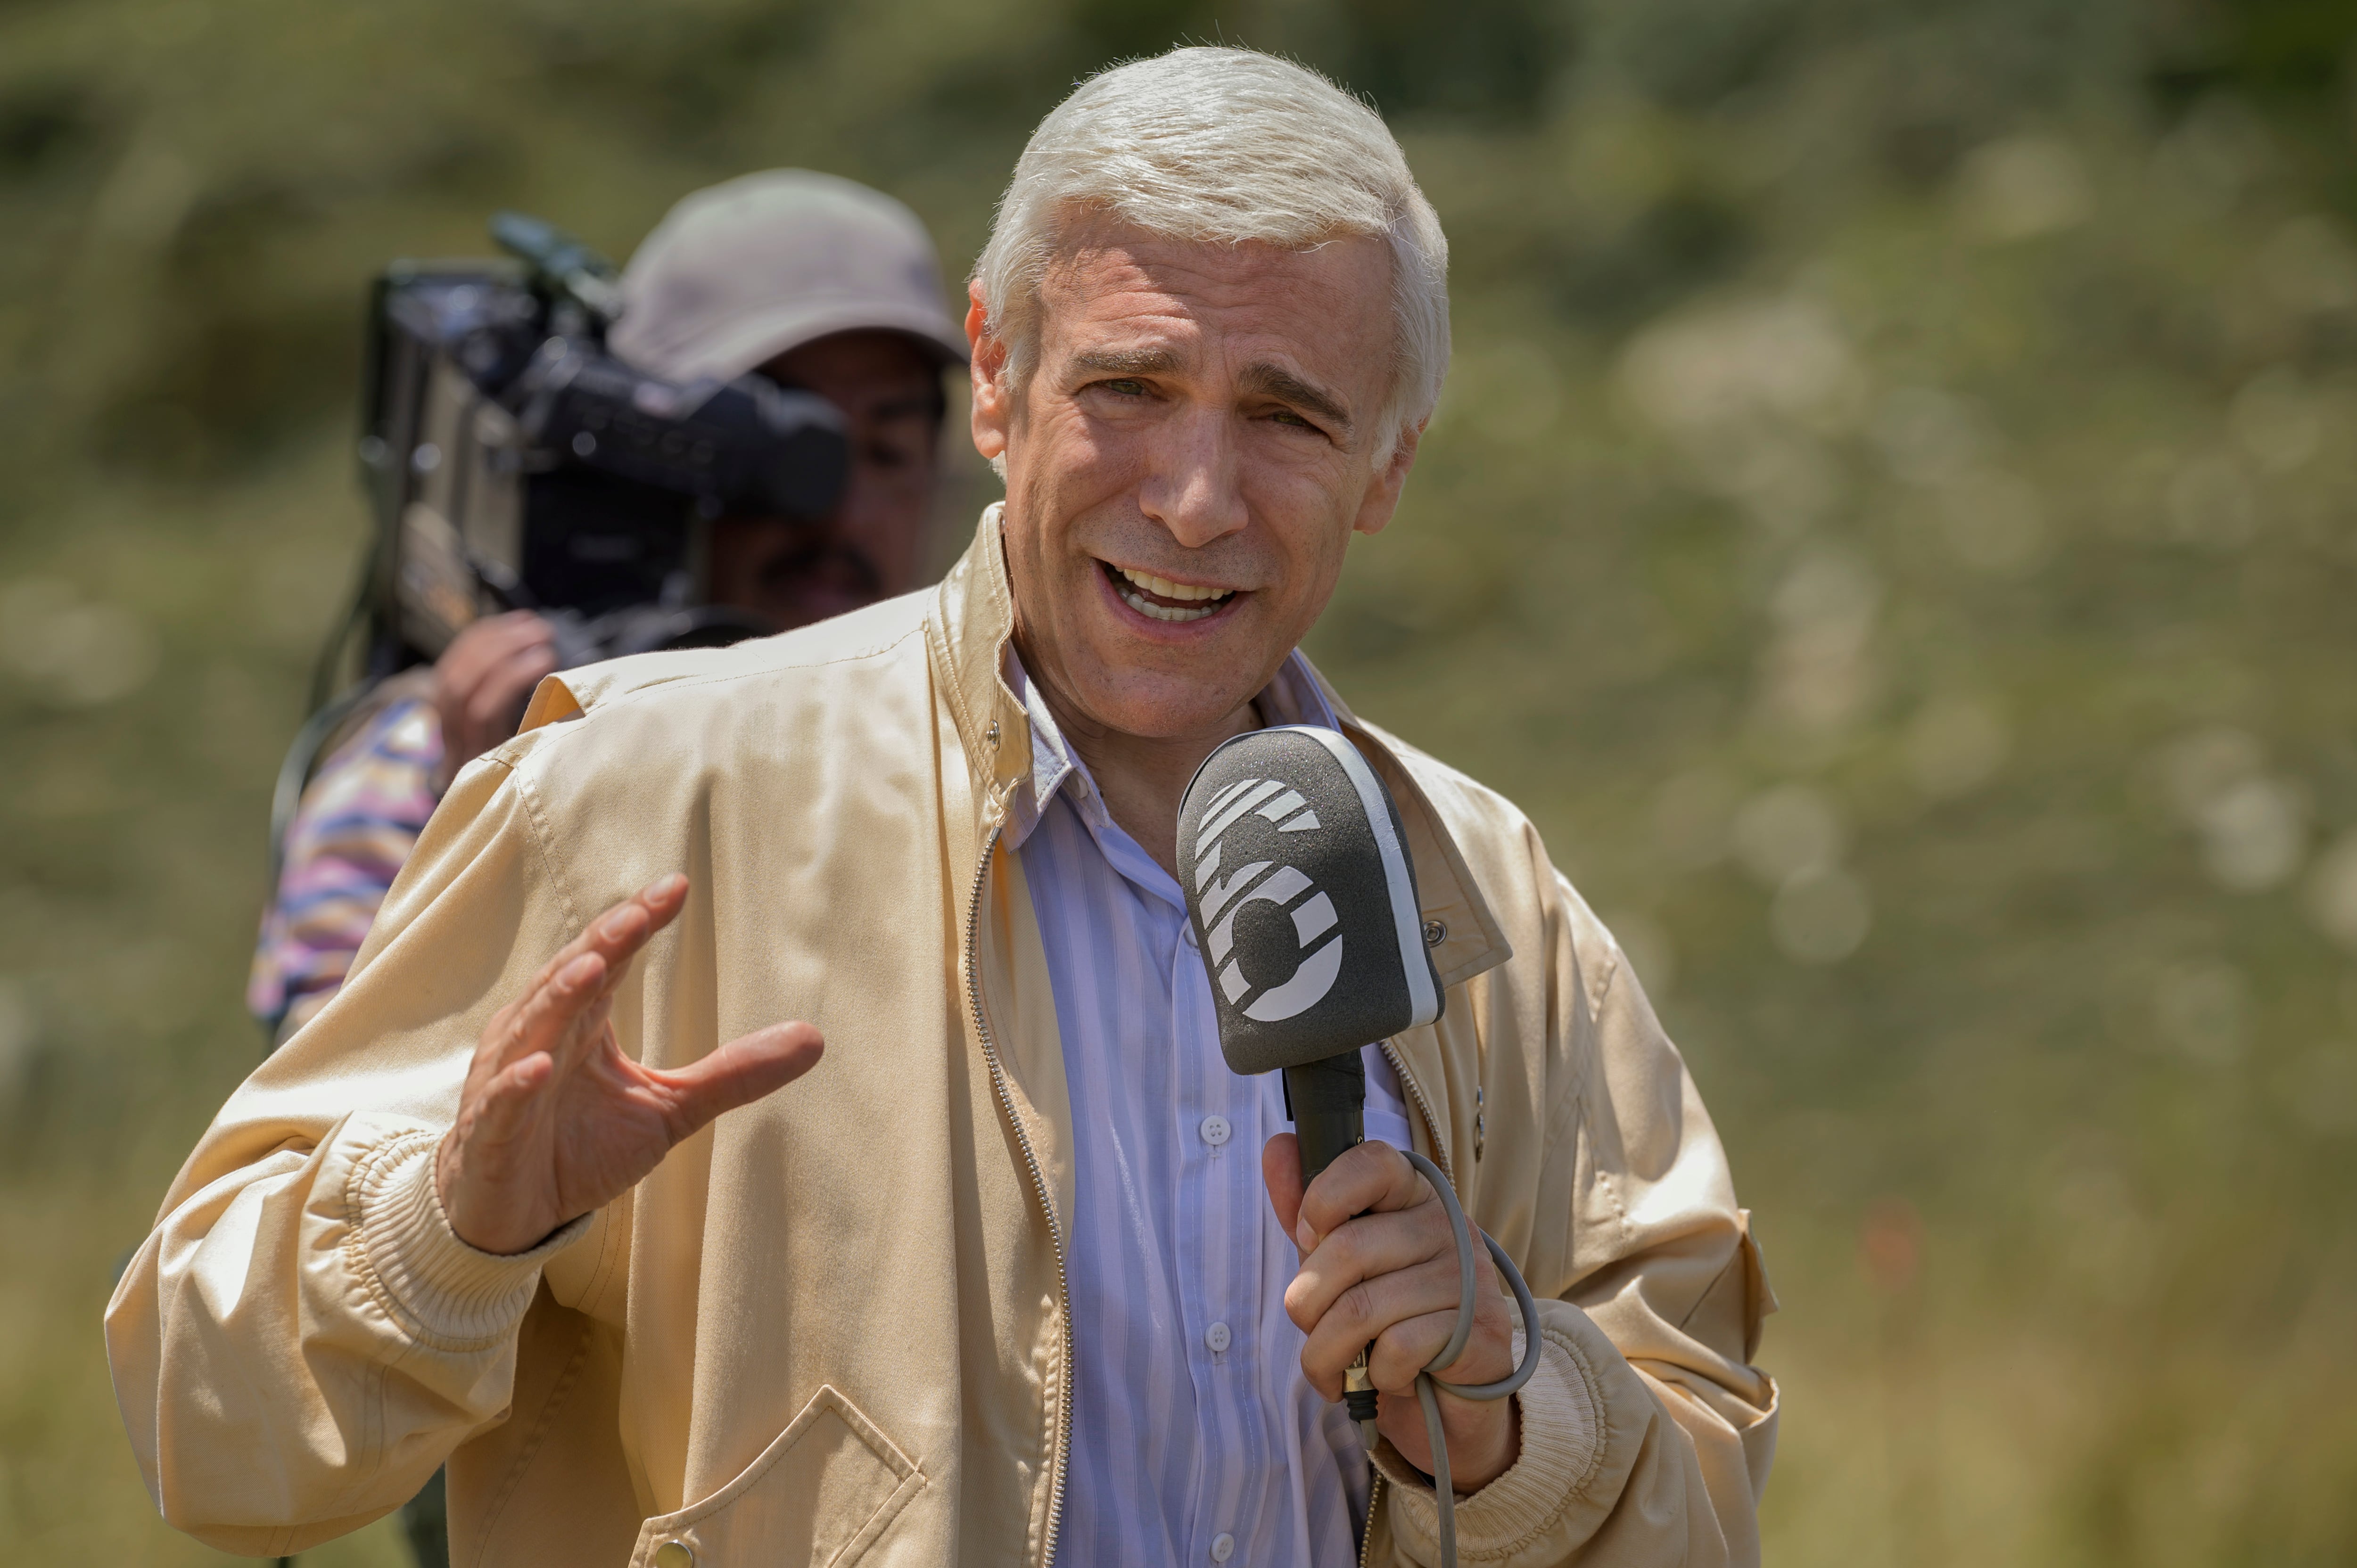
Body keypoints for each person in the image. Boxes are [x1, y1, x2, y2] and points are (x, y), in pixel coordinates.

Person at [110, 47, 1779, 1568]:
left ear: (1391, 463)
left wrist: (1509, 1404)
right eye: (1127, 388)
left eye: (1286, 416)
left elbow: (1702, 1483)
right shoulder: (636, 794)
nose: (1194, 499)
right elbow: (206, 1431)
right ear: (996, 376)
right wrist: (455, 1227)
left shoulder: (1488, 896)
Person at [248, 168, 968, 1044]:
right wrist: (496, 862)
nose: (838, 511)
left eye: (886, 451)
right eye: (777, 453)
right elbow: (325, 1158)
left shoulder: (997, 759)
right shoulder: (428, 757)